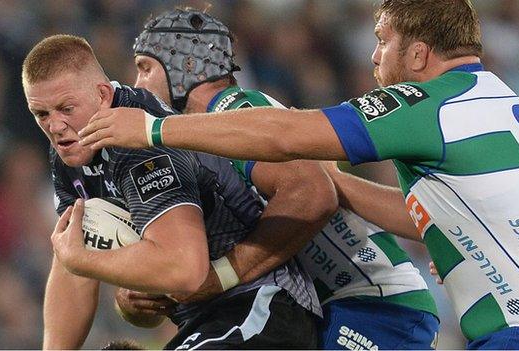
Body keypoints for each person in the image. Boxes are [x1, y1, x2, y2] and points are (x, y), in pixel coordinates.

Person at [78, 1, 519, 348]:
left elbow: (290, 145)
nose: (373, 55)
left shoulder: (426, 105)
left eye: (382, 40)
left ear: (418, 53)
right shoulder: (495, 101)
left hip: (388, 309)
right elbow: (424, 214)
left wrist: (154, 129)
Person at [22, 34, 322, 350]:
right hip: (204, 322)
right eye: (42, 114)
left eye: (65, 108)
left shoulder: (140, 144)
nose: (55, 126)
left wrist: (83, 261)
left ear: (102, 95)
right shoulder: (69, 154)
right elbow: (73, 273)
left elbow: (185, 269)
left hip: (264, 308)